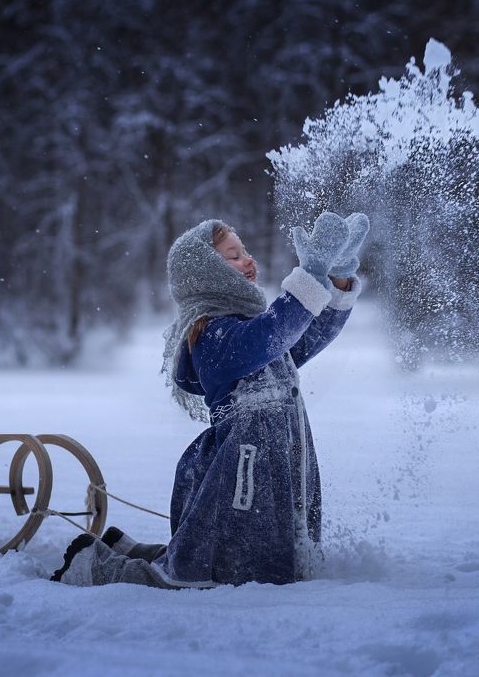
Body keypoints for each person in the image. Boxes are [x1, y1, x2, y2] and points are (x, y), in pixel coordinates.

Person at [51, 211, 370, 588]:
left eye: (245, 251)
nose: (248, 260)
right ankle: (94, 566)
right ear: (206, 272)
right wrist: (311, 276)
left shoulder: (253, 329)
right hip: (244, 472)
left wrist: (338, 277)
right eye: (233, 256)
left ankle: (133, 549)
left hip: (280, 464)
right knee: (204, 573)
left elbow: (304, 335)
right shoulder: (213, 336)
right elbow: (271, 334)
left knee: (231, 559)